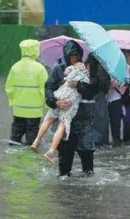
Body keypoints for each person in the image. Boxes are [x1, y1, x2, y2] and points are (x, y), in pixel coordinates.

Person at [45, 39, 111, 177]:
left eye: (76, 56)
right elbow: (49, 89)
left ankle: (88, 177)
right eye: (71, 57)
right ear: (66, 56)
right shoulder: (59, 71)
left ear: (81, 55)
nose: (74, 59)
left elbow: (94, 89)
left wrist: (78, 84)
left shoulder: (87, 71)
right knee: (64, 154)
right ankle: (64, 178)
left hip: (85, 120)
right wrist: (55, 102)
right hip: (66, 119)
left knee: (87, 156)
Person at [30, 61, 91, 164]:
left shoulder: (77, 65)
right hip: (70, 100)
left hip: (60, 93)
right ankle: (50, 152)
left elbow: (66, 72)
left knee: (48, 119)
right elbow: (85, 89)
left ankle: (36, 142)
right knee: (62, 126)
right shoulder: (87, 76)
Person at [5, 39, 48, 146]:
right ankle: (29, 161)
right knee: (32, 142)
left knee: (14, 139)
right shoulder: (40, 69)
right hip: (34, 112)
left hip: (18, 110)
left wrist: (12, 102)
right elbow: (45, 89)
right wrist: (48, 105)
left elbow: (9, 88)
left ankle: (14, 158)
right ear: (35, 51)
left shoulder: (15, 67)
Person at [107, 49, 130, 146]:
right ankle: (116, 145)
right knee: (115, 131)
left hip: (127, 101)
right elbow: (106, 86)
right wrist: (112, 84)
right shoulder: (110, 69)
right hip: (114, 100)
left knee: (129, 130)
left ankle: (127, 144)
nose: (127, 57)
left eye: (128, 55)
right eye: (125, 55)